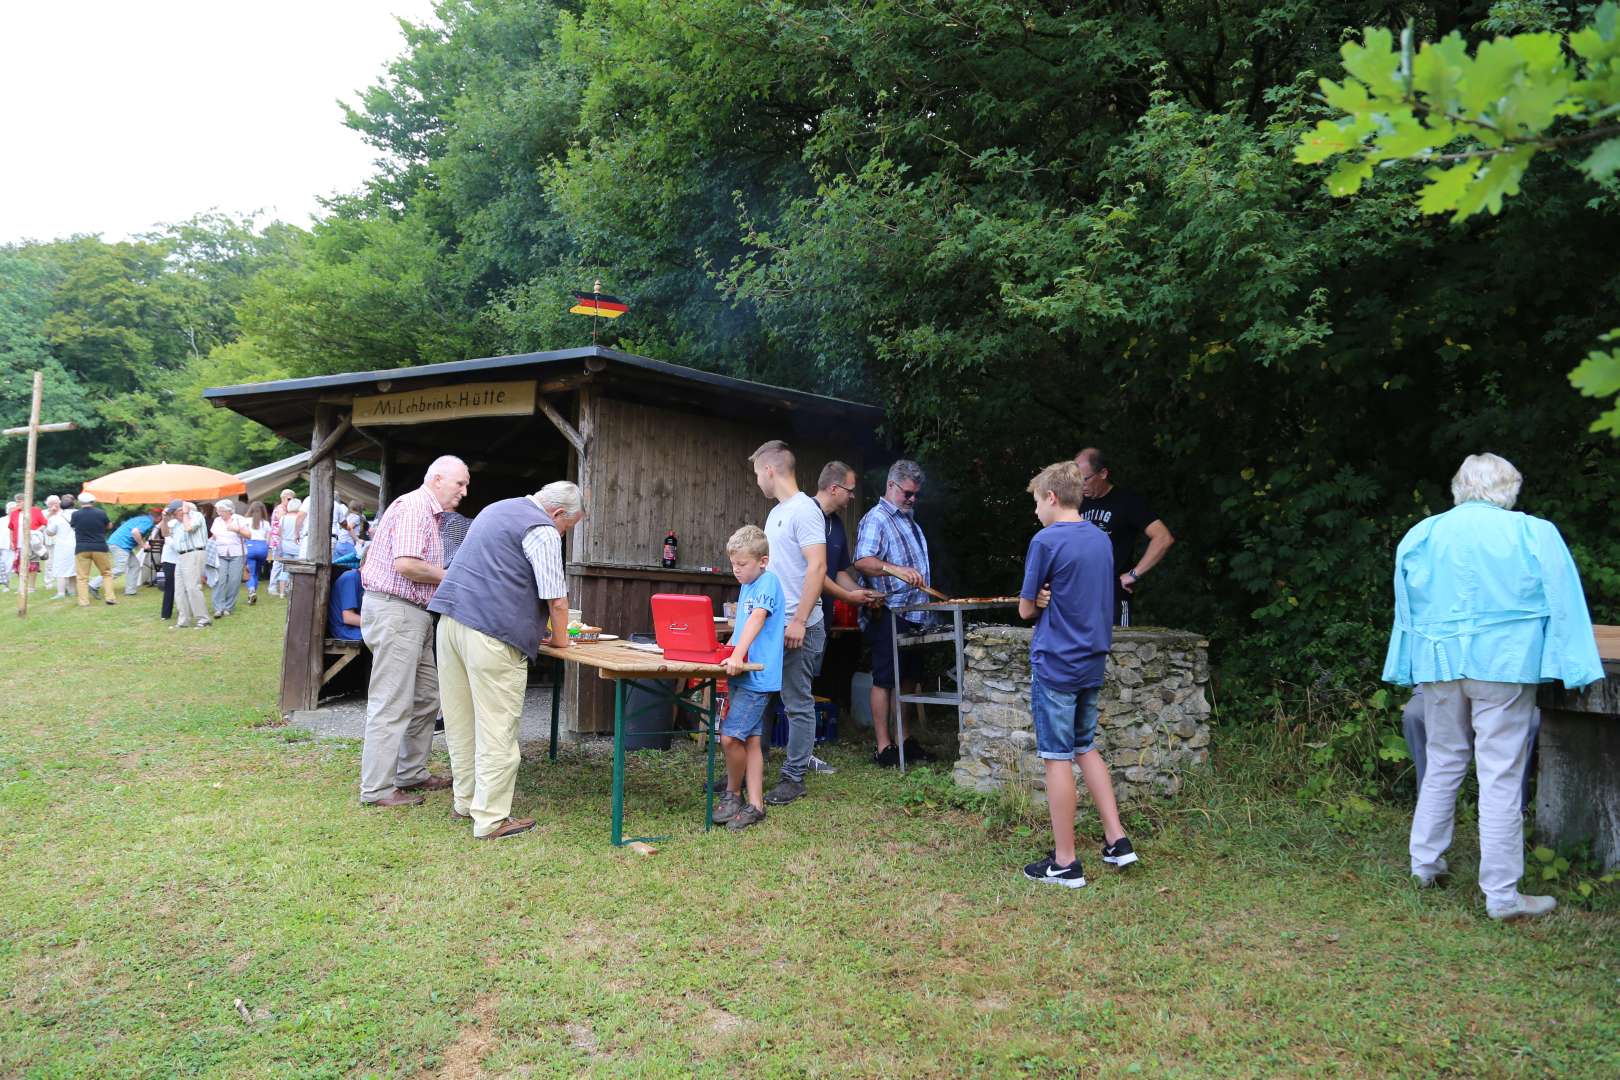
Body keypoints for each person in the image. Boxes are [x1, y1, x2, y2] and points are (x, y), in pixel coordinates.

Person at [1384, 452, 1603, 921]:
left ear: (1459, 488)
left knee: (1444, 758)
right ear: (1508, 490)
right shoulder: (1532, 531)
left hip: (1439, 661)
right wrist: (1577, 667)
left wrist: (1406, 662)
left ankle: (1424, 864)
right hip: (1505, 662)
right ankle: (1502, 896)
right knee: (1500, 772)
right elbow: (1565, 602)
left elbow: (1407, 613)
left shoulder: (1421, 535)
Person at [429, 480, 583, 839]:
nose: (562, 535)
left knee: (460, 721)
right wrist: (561, 642)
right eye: (567, 528)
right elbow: (556, 599)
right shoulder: (542, 529)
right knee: (497, 727)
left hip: (450, 623)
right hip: (491, 633)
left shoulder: (496, 508)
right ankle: (492, 819)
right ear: (557, 514)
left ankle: (465, 802)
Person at [1017, 461, 1137, 888]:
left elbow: (1026, 609)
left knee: (1057, 757)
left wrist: (1041, 599)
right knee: (1086, 747)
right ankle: (1116, 840)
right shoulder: (1101, 540)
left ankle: (1065, 862)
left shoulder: (1045, 540)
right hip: (1091, 660)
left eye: (1036, 502)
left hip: (1056, 662)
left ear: (1051, 497)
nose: (1035, 512)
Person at [358, 455, 469, 808]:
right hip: (396, 611)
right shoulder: (415, 507)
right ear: (436, 479)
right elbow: (406, 564)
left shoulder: (429, 513)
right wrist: (451, 577)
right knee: (391, 701)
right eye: (460, 484)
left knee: (426, 697)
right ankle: (377, 790)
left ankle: (411, 772)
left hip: (413, 614)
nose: (464, 492)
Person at [748, 440, 827, 807]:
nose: (757, 483)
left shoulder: (805, 510)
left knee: (796, 702)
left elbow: (818, 567)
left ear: (770, 470)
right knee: (761, 699)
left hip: (800, 626)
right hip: (774, 626)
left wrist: (798, 619)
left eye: (756, 474)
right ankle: (751, 769)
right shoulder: (776, 513)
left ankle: (793, 777)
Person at [851, 459, 937, 767]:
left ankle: (903, 740)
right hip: (889, 610)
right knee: (885, 679)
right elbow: (863, 560)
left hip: (916, 613)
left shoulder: (908, 519)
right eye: (908, 494)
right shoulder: (877, 518)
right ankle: (883, 746)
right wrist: (897, 570)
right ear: (891, 486)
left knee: (909, 680)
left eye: (916, 495)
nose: (912, 500)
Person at [710, 525, 785, 830]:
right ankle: (756, 804)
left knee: (730, 737)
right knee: (752, 741)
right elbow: (742, 628)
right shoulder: (747, 586)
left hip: (757, 676)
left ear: (763, 561)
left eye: (742, 565)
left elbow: (756, 620)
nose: (736, 571)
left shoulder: (767, 582)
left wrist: (739, 655)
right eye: (733, 565)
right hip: (742, 673)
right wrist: (727, 649)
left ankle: (732, 794)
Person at [1074, 448, 1175, 627]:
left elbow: (1163, 538)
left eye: (1085, 479)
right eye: (1076, 479)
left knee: (1116, 651)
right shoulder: (1075, 503)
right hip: (1078, 592)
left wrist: (1134, 574)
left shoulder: (1128, 502)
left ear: (1103, 473)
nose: (1080, 485)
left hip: (1112, 594)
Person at [1402, 687, 1540, 814]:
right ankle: (1430, 805)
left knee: (1532, 721)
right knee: (1415, 714)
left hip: (1503, 683)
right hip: (1446, 680)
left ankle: (1516, 807)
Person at [166, 500, 211, 629]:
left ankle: (203, 619)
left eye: (175, 513)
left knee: (192, 587)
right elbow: (165, 534)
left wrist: (185, 513)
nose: (174, 516)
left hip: (195, 553)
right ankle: (183, 620)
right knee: (179, 589)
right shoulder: (176, 523)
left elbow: (189, 528)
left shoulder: (196, 516)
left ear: (182, 509)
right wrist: (164, 519)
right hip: (181, 556)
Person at [70, 492, 115, 607]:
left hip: (82, 548)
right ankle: (110, 598)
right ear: (93, 502)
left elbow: (73, 526)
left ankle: (84, 602)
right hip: (99, 547)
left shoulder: (75, 514)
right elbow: (109, 526)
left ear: (80, 502)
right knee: (107, 573)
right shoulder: (101, 513)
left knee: (82, 577)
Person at [210, 499, 249, 617]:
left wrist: (237, 529)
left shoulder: (239, 519)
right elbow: (213, 535)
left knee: (234, 581)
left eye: (221, 511)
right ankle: (218, 607)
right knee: (219, 580)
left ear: (229, 511)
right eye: (218, 510)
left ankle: (228, 606)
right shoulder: (217, 521)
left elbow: (249, 535)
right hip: (220, 553)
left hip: (237, 554)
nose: (219, 513)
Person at [107, 507, 157, 596]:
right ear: (158, 517)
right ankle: (93, 584)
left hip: (120, 544)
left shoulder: (143, 519)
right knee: (120, 569)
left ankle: (130, 591)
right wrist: (143, 545)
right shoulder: (148, 522)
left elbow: (134, 533)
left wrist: (142, 543)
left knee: (135, 566)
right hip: (120, 544)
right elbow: (135, 532)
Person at [10, 493, 47, 588]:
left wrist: (35, 532)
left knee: (32, 566)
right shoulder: (14, 513)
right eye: (17, 501)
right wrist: (11, 541)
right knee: (19, 566)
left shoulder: (35, 511)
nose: (17, 503)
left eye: (20, 501)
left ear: (26, 501)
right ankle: (22, 586)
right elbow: (11, 528)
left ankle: (31, 587)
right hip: (18, 542)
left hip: (32, 543)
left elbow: (44, 524)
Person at [46, 494, 78, 600]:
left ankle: (61, 593)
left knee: (60, 569)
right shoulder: (79, 514)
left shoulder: (57, 518)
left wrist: (49, 519)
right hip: (77, 544)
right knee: (74, 568)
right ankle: (73, 591)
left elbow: (50, 532)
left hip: (62, 545)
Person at [268, 489, 296, 597]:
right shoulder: (280, 509)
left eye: (292, 499)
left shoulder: (286, 509)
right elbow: (282, 522)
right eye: (289, 499)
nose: (291, 501)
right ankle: (272, 587)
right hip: (278, 541)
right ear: (283, 498)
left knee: (285, 564)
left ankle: (284, 587)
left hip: (283, 540)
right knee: (278, 564)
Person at [244, 501, 272, 605]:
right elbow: (268, 539)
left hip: (250, 546)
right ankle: (252, 594)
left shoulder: (246, 521)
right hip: (262, 547)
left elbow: (243, 535)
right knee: (256, 573)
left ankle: (251, 590)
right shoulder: (266, 523)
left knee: (249, 572)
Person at [329, 565, 364, 641]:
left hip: (353, 628)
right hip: (345, 630)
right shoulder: (351, 578)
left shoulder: (360, 579)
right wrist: (377, 624)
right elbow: (348, 618)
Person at [0, 501, 13, 591]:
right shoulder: (2, 520)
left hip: (14, 546)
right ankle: (5, 585)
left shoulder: (19, 520)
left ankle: (7, 585)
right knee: (4, 566)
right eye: (11, 509)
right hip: (3, 546)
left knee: (10, 566)